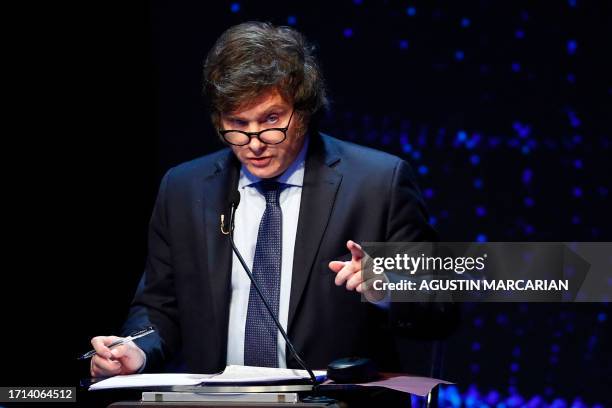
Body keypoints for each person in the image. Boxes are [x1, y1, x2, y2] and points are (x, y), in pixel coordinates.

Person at [90, 21, 438, 377]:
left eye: (271, 118)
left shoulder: (378, 183)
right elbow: (159, 306)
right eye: (238, 124)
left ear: (303, 111)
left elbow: (439, 307)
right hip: (219, 403)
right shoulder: (184, 188)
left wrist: (389, 287)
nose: (255, 142)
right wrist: (135, 349)